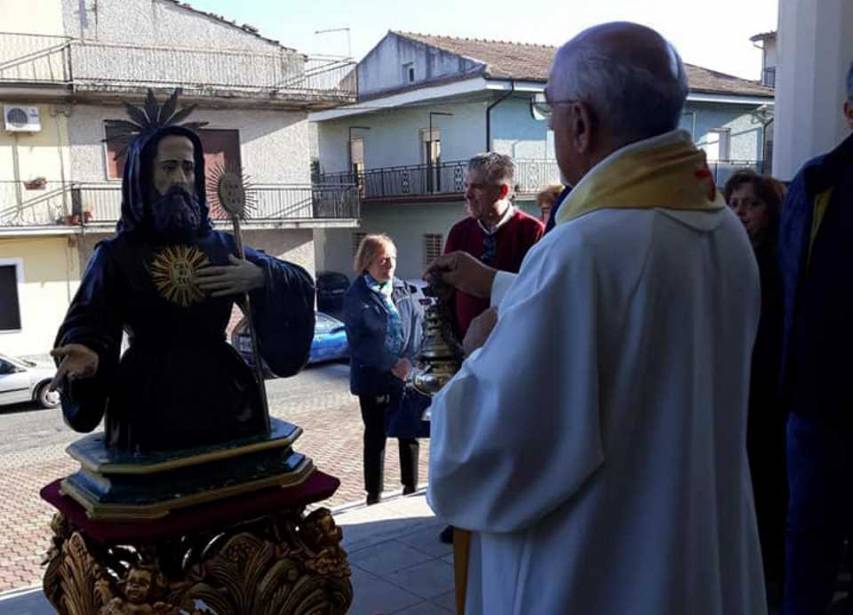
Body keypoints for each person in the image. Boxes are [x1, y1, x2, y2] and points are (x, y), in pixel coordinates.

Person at [425, 22, 766, 614]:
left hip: (600, 573)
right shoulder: (724, 232)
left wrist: (478, 352)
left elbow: (489, 454)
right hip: (692, 562)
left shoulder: (582, 250)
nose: (552, 126)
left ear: (580, 122)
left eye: (550, 112)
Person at [49, 91, 315, 453]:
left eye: (188, 168)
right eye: (169, 167)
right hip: (148, 400)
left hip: (226, 395)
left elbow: (296, 280)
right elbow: (90, 321)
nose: (180, 178)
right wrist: (89, 355)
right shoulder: (116, 255)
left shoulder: (221, 247)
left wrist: (261, 277)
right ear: (144, 175)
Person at [777, 62, 853, 615]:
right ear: (849, 112)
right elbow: (788, 290)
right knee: (809, 542)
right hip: (819, 407)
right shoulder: (817, 182)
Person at [725, 169, 788, 606]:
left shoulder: (779, 263)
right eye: (734, 204)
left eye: (752, 204)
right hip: (735, 386)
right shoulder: (726, 259)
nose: (741, 213)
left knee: (766, 481)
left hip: (768, 389)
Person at [343, 234, 424, 506]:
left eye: (393, 258)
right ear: (367, 262)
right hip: (374, 378)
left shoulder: (405, 289)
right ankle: (373, 496)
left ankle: (410, 488)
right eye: (383, 259)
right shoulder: (356, 296)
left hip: (405, 376)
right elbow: (360, 342)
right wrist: (391, 364)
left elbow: (418, 328)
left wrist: (409, 362)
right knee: (376, 436)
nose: (390, 264)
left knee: (408, 432)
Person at [443, 153, 543, 340]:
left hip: (513, 348)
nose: (467, 194)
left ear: (502, 191)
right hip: (464, 355)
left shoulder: (532, 232)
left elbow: (536, 295)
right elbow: (446, 299)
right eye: (466, 186)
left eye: (477, 187)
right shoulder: (459, 232)